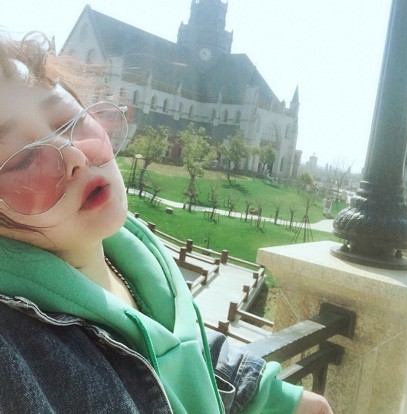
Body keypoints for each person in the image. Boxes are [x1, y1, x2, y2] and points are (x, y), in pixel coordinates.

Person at [0, 32, 333, 414]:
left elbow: (172, 342)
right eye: (24, 160)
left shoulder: (136, 258)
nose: (74, 153)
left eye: (68, 121)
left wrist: (264, 392)